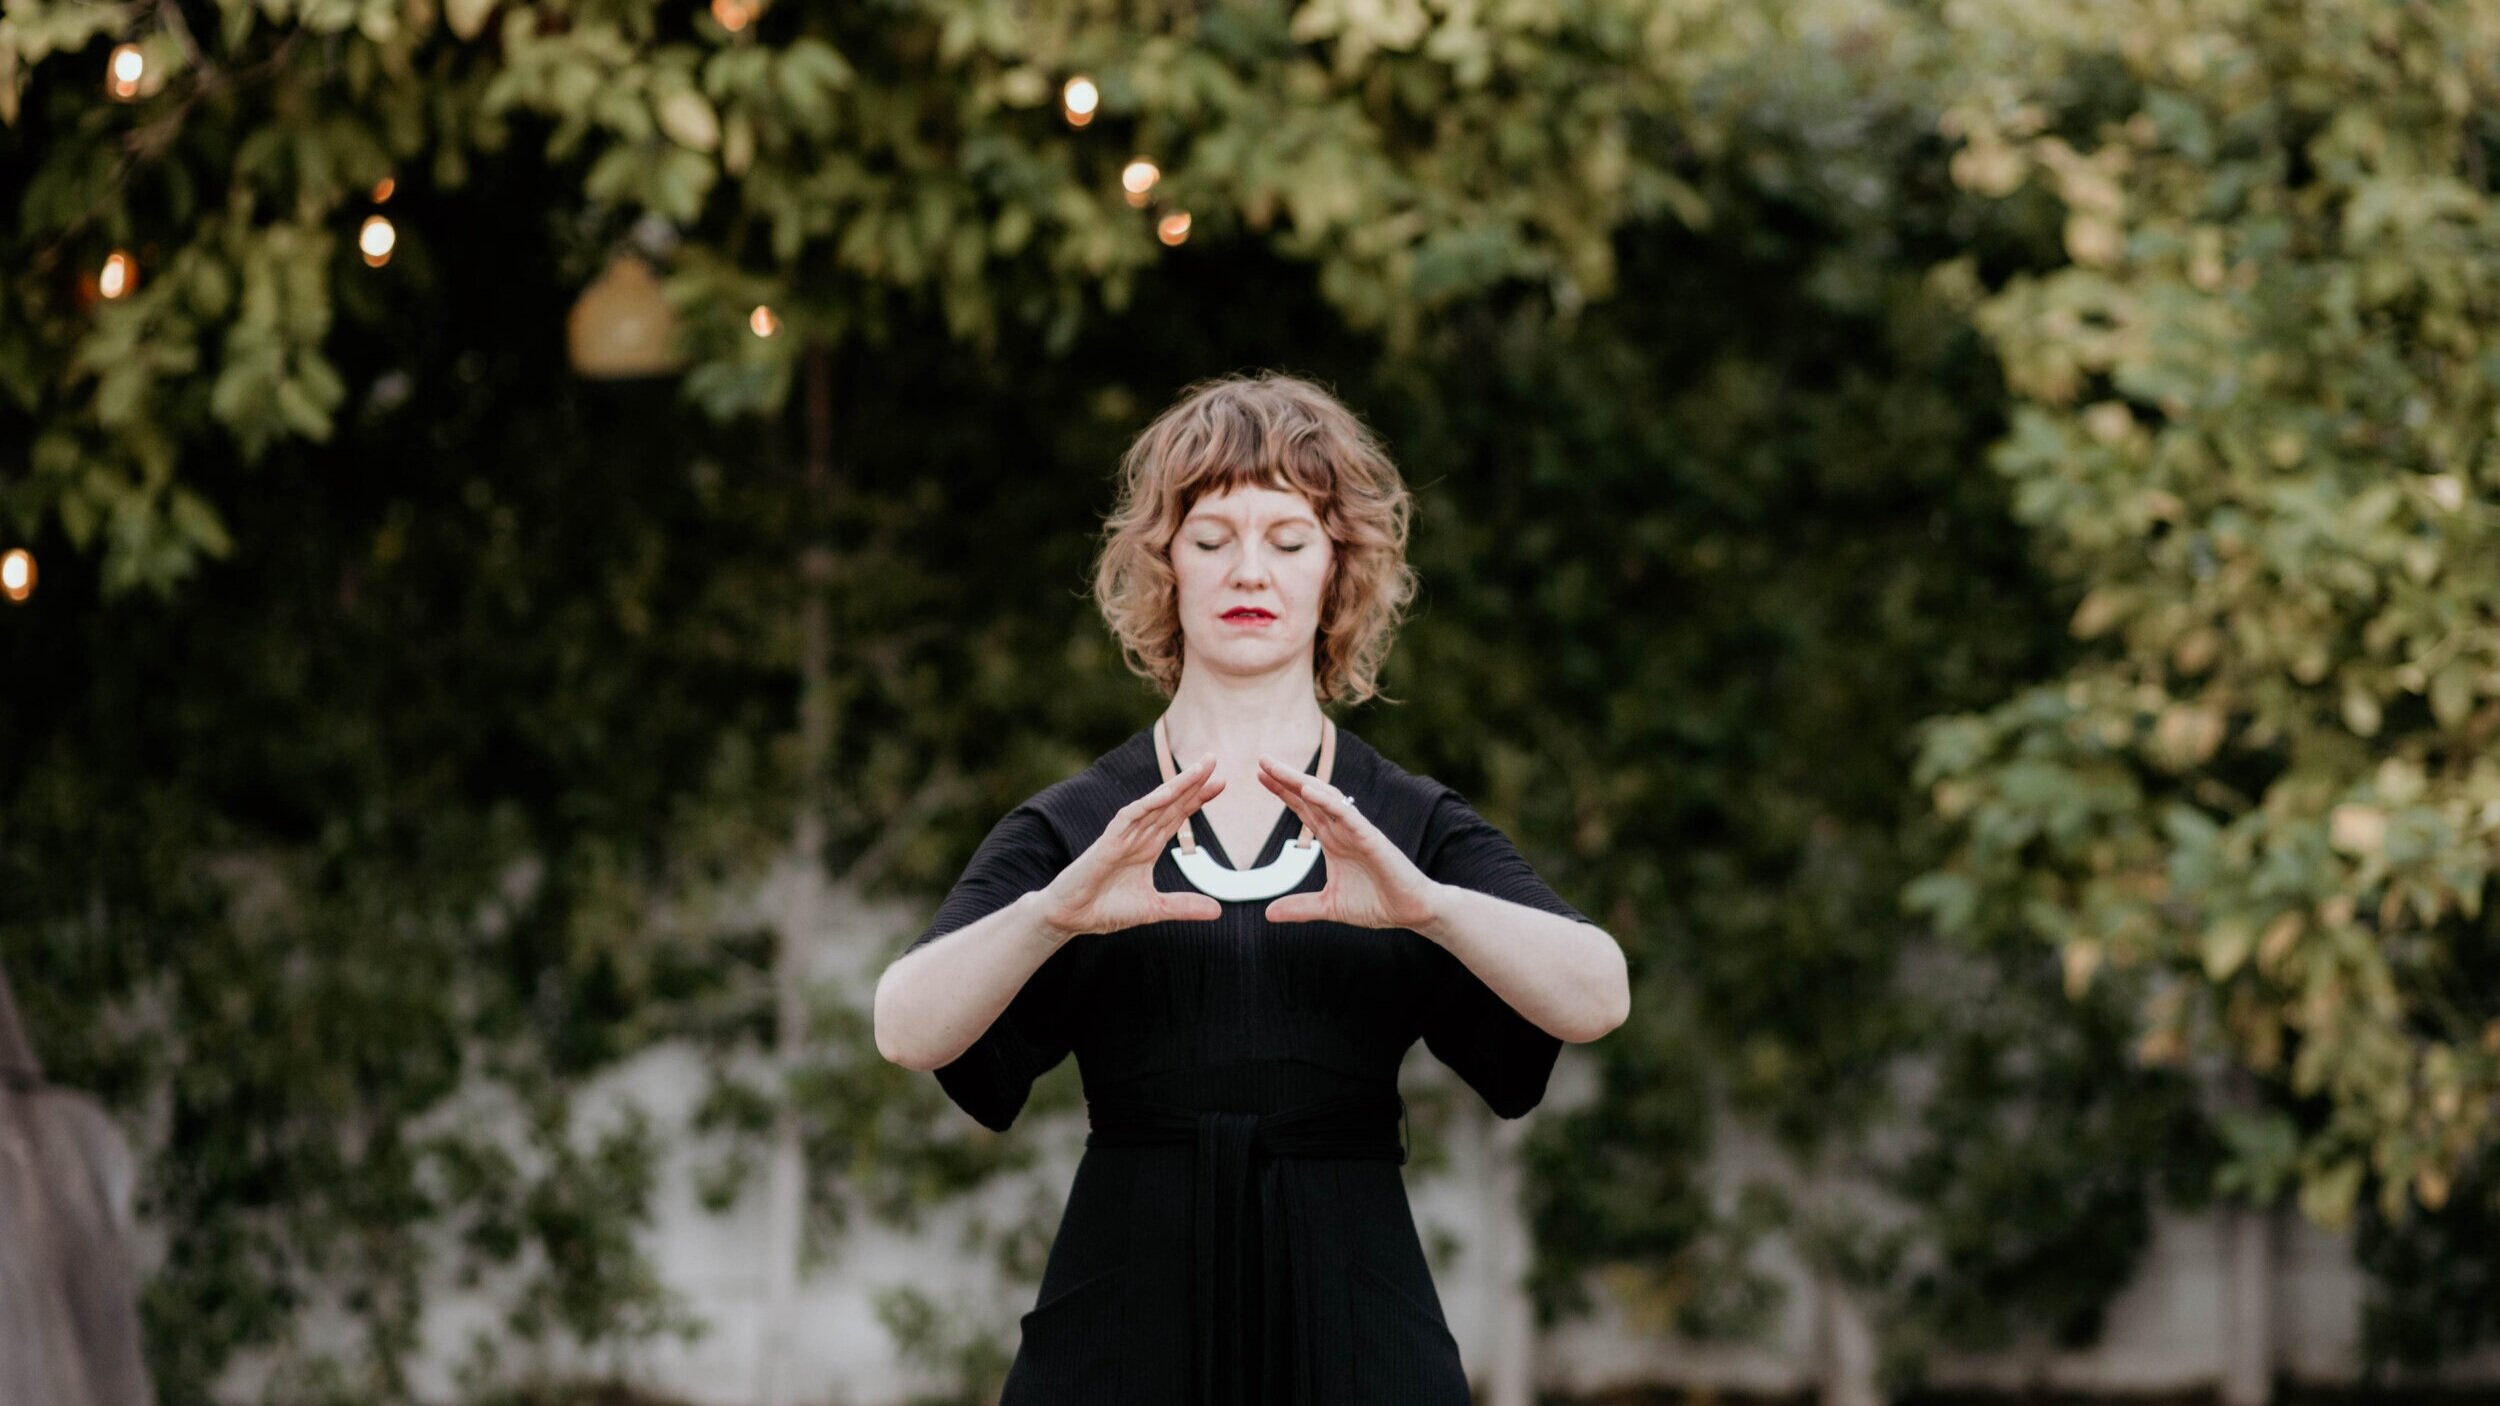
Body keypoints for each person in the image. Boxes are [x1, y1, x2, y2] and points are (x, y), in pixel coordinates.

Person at [873, 370, 1630, 1406]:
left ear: (1336, 570)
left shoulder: (1399, 822)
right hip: (1124, 1307)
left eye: (1288, 538)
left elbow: (1597, 994)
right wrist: (1053, 914)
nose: (1249, 570)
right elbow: (904, 1023)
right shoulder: (1084, 822)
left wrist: (1429, 907)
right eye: (1212, 536)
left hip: (1354, 1305)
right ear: (1164, 564)